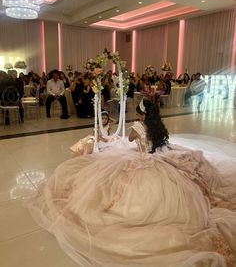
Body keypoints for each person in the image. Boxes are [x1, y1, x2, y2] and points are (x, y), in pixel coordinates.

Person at [28, 98, 236, 267]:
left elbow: (129, 141)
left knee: (114, 186)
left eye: (138, 112)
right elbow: (154, 144)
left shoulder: (138, 125)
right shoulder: (159, 127)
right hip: (159, 157)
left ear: (142, 114)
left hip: (144, 160)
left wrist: (132, 132)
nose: (137, 115)